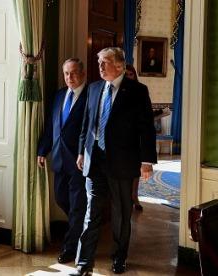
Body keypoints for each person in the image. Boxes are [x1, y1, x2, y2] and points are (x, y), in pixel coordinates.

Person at [71, 48, 157, 275]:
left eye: (105, 62)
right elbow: (86, 125)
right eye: (99, 62)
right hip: (95, 160)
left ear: (120, 66)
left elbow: (146, 129)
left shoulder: (137, 91)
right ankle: (84, 263)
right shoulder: (94, 88)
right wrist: (82, 151)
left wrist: (146, 161)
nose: (99, 66)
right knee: (92, 213)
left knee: (120, 214)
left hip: (122, 162)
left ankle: (119, 258)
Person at [37, 58, 88, 264]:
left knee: (76, 206)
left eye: (74, 73)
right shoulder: (59, 95)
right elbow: (51, 127)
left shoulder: (91, 96)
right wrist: (42, 150)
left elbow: (93, 131)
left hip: (79, 161)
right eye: (66, 73)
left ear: (82, 74)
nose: (70, 77)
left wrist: (85, 153)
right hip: (59, 159)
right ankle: (83, 225)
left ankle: (70, 248)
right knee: (61, 199)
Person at [125, 64, 145, 211]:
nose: (128, 77)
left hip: (136, 139)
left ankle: (134, 196)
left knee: (135, 171)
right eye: (125, 75)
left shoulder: (140, 91)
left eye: (130, 74)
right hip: (121, 141)